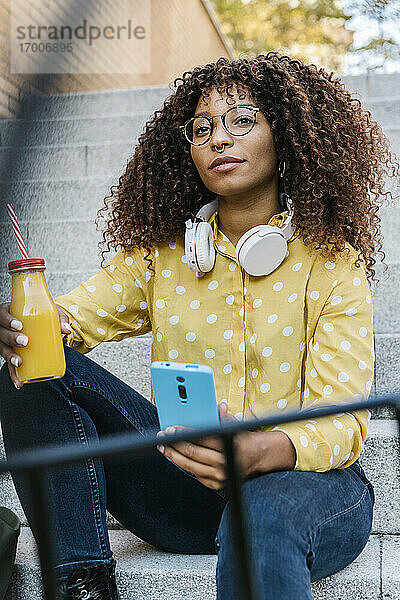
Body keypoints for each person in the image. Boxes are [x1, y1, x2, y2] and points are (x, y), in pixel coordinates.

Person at [0, 52, 398, 600]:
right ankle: (80, 584)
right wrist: (32, 330)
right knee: (33, 370)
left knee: (261, 513)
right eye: (202, 128)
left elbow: (343, 422)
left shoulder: (331, 264)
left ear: (285, 137)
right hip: (185, 485)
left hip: (303, 486)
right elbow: (74, 318)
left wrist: (260, 450)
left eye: (242, 121)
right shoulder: (160, 257)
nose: (218, 139)